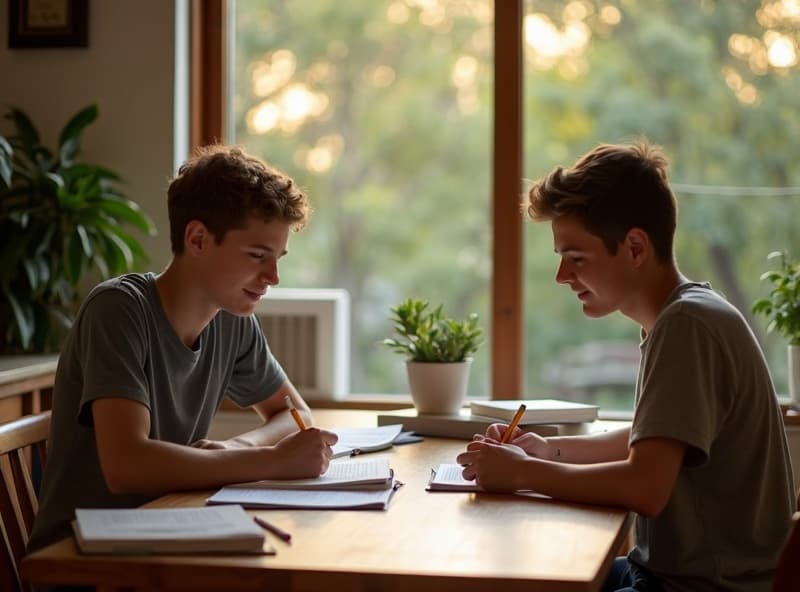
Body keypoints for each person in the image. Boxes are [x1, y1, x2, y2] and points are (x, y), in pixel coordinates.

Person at [456, 140, 796, 591]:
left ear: (635, 247)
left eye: (576, 258)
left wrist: (520, 473)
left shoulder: (686, 324)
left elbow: (644, 486)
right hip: (670, 576)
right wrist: (544, 450)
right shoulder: (683, 314)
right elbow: (651, 440)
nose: (562, 276)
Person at [28, 144, 338, 554]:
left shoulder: (233, 320)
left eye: (277, 257)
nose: (273, 277)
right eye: (257, 255)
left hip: (169, 532)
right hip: (82, 558)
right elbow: (127, 466)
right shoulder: (119, 310)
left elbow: (294, 413)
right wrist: (273, 461)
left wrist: (236, 447)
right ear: (197, 239)